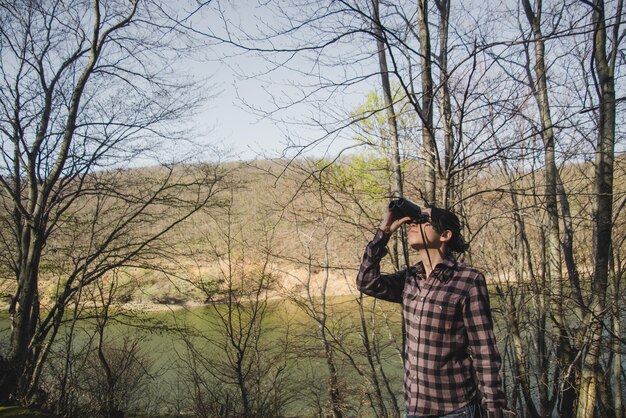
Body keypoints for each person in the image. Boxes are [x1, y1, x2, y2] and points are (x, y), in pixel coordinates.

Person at [356, 203, 508, 418]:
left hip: (455, 409)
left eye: (423, 221)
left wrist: (494, 409)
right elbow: (366, 282)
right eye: (414, 221)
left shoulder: (468, 280)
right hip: (415, 408)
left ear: (445, 235)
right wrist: (385, 230)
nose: (414, 225)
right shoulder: (410, 277)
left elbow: (485, 351)